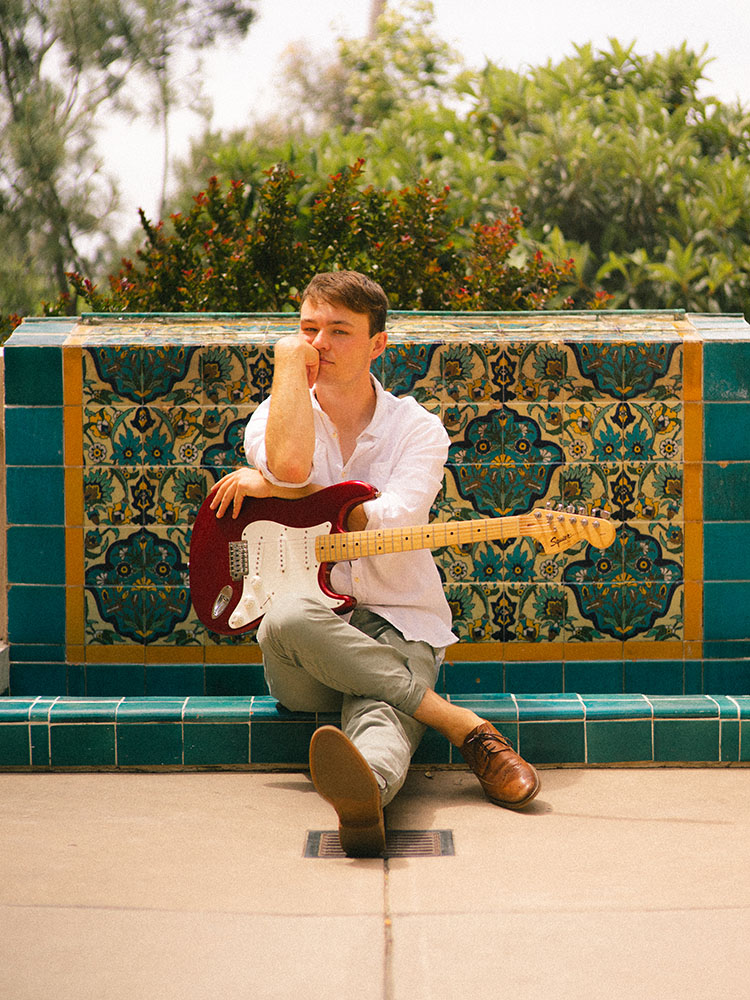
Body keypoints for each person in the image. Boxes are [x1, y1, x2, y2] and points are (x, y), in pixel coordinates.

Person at [209, 270, 540, 857]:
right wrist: (289, 361)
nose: (320, 344)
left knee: (381, 718)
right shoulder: (276, 413)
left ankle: (364, 798)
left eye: (339, 331)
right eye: (308, 330)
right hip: (305, 651)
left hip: (399, 621)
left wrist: (288, 496)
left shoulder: (417, 429)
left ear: (377, 344)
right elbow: (289, 464)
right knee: (287, 617)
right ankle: (463, 726)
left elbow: (394, 519)